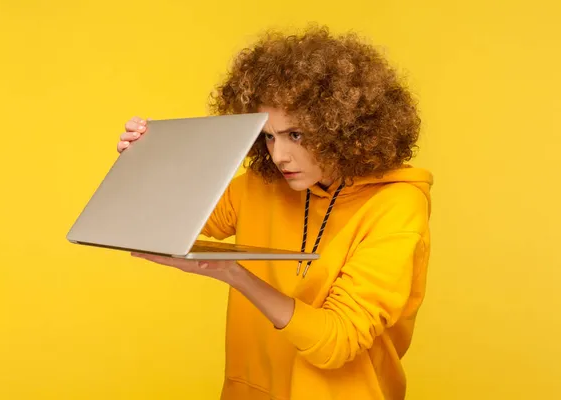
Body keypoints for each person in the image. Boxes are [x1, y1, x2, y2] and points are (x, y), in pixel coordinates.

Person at [118, 25, 432, 400]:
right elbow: (167, 220)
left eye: (296, 135)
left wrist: (237, 275)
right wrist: (144, 161)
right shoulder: (261, 184)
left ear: (345, 128)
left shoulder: (396, 204)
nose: (279, 155)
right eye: (268, 136)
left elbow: (338, 341)